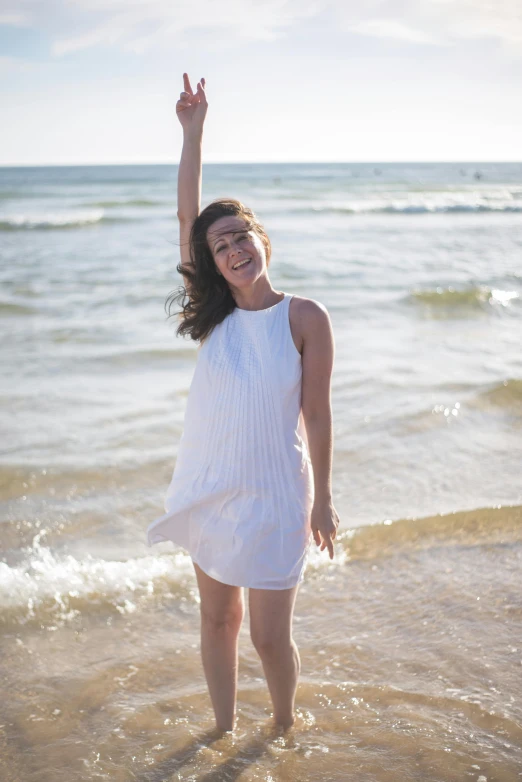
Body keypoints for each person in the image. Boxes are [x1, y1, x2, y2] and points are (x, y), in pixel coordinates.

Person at [147, 73, 340, 733]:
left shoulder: (305, 316)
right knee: (216, 619)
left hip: (278, 495)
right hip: (212, 485)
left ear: (262, 239)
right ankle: (224, 728)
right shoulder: (216, 316)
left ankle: (283, 727)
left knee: (266, 635)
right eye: (220, 245)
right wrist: (194, 133)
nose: (233, 249)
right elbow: (186, 214)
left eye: (240, 236)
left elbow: (316, 414)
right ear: (212, 261)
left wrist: (323, 499)